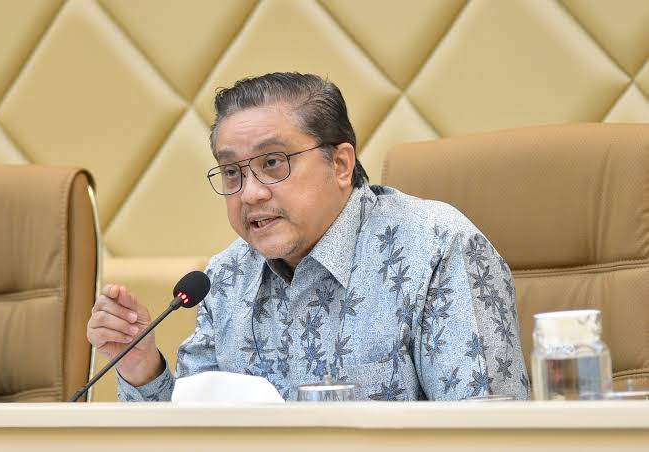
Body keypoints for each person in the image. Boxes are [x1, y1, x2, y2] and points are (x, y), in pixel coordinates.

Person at [87, 72, 530, 401]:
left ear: (340, 164)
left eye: (273, 163)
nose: (251, 193)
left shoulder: (436, 249)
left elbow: (486, 434)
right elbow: (187, 436)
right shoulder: (225, 276)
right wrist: (142, 368)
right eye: (232, 172)